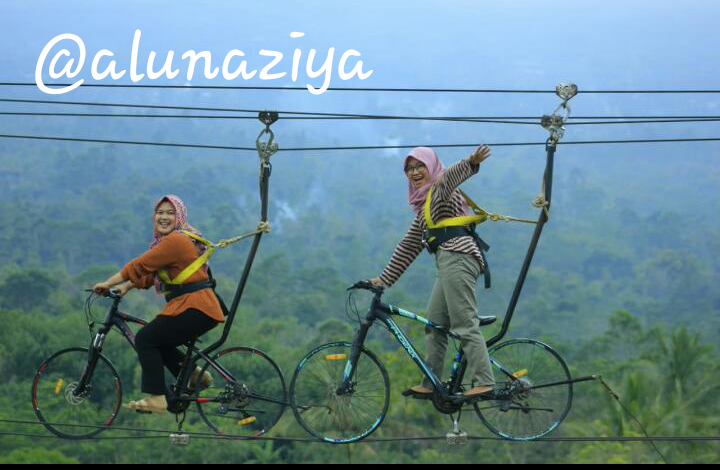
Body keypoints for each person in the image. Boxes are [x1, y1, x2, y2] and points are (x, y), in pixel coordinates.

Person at [370, 145, 495, 399]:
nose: (414, 172)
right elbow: (409, 245)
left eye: (420, 166)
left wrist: (470, 162)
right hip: (447, 261)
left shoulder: (439, 188)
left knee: (463, 322)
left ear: (432, 167)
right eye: (409, 169)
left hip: (458, 256)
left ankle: (484, 380)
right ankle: (431, 382)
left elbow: (448, 178)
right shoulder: (424, 208)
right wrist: (383, 279)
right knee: (435, 323)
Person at [93, 195, 224, 413]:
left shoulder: (176, 241)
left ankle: (157, 398)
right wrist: (126, 287)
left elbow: (140, 265)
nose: (164, 217)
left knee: (146, 339)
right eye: (160, 213)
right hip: (198, 307)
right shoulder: (173, 241)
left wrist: (109, 282)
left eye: (170, 213)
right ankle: (195, 374)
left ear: (180, 216)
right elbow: (152, 272)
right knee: (159, 341)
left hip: (195, 306)